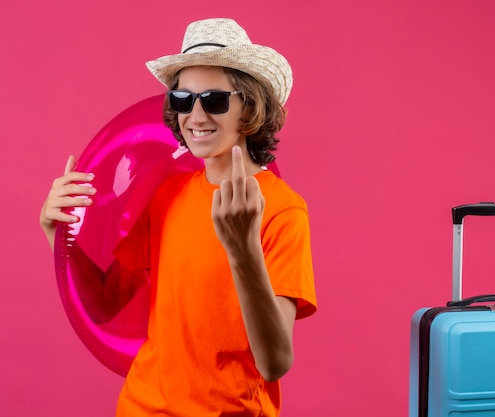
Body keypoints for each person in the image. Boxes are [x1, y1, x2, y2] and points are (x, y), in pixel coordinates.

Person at [39, 18, 317, 416]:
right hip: (142, 407)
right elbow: (102, 304)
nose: (196, 116)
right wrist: (59, 233)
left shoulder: (283, 209)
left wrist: (242, 249)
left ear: (249, 107)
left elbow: (274, 362)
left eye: (215, 100)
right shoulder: (168, 195)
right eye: (183, 100)